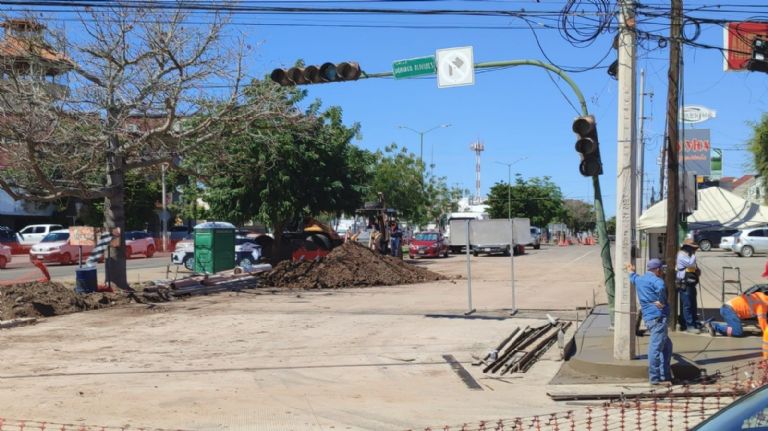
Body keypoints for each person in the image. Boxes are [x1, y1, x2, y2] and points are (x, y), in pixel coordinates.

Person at [628, 258, 673, 385]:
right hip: (658, 318)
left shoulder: (640, 279)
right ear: (658, 270)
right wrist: (662, 302)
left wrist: (630, 271)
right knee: (656, 349)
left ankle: (665, 375)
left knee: (667, 347)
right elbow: (662, 288)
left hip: (649, 318)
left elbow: (632, 277)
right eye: (662, 269)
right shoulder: (657, 281)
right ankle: (655, 379)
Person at [706, 291, 768, 359]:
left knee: (737, 329)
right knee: (737, 332)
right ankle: (714, 326)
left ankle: (721, 325)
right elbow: (764, 326)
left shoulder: (762, 296)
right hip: (728, 310)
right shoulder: (762, 306)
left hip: (729, 309)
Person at [676, 238, 701, 333]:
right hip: (684, 283)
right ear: (687, 247)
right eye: (692, 248)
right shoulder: (682, 255)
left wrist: (697, 270)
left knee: (693, 304)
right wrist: (694, 255)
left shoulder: (688, 255)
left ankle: (694, 322)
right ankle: (689, 325)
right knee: (687, 305)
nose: (694, 250)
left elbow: (694, 267)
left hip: (691, 283)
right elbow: (690, 264)